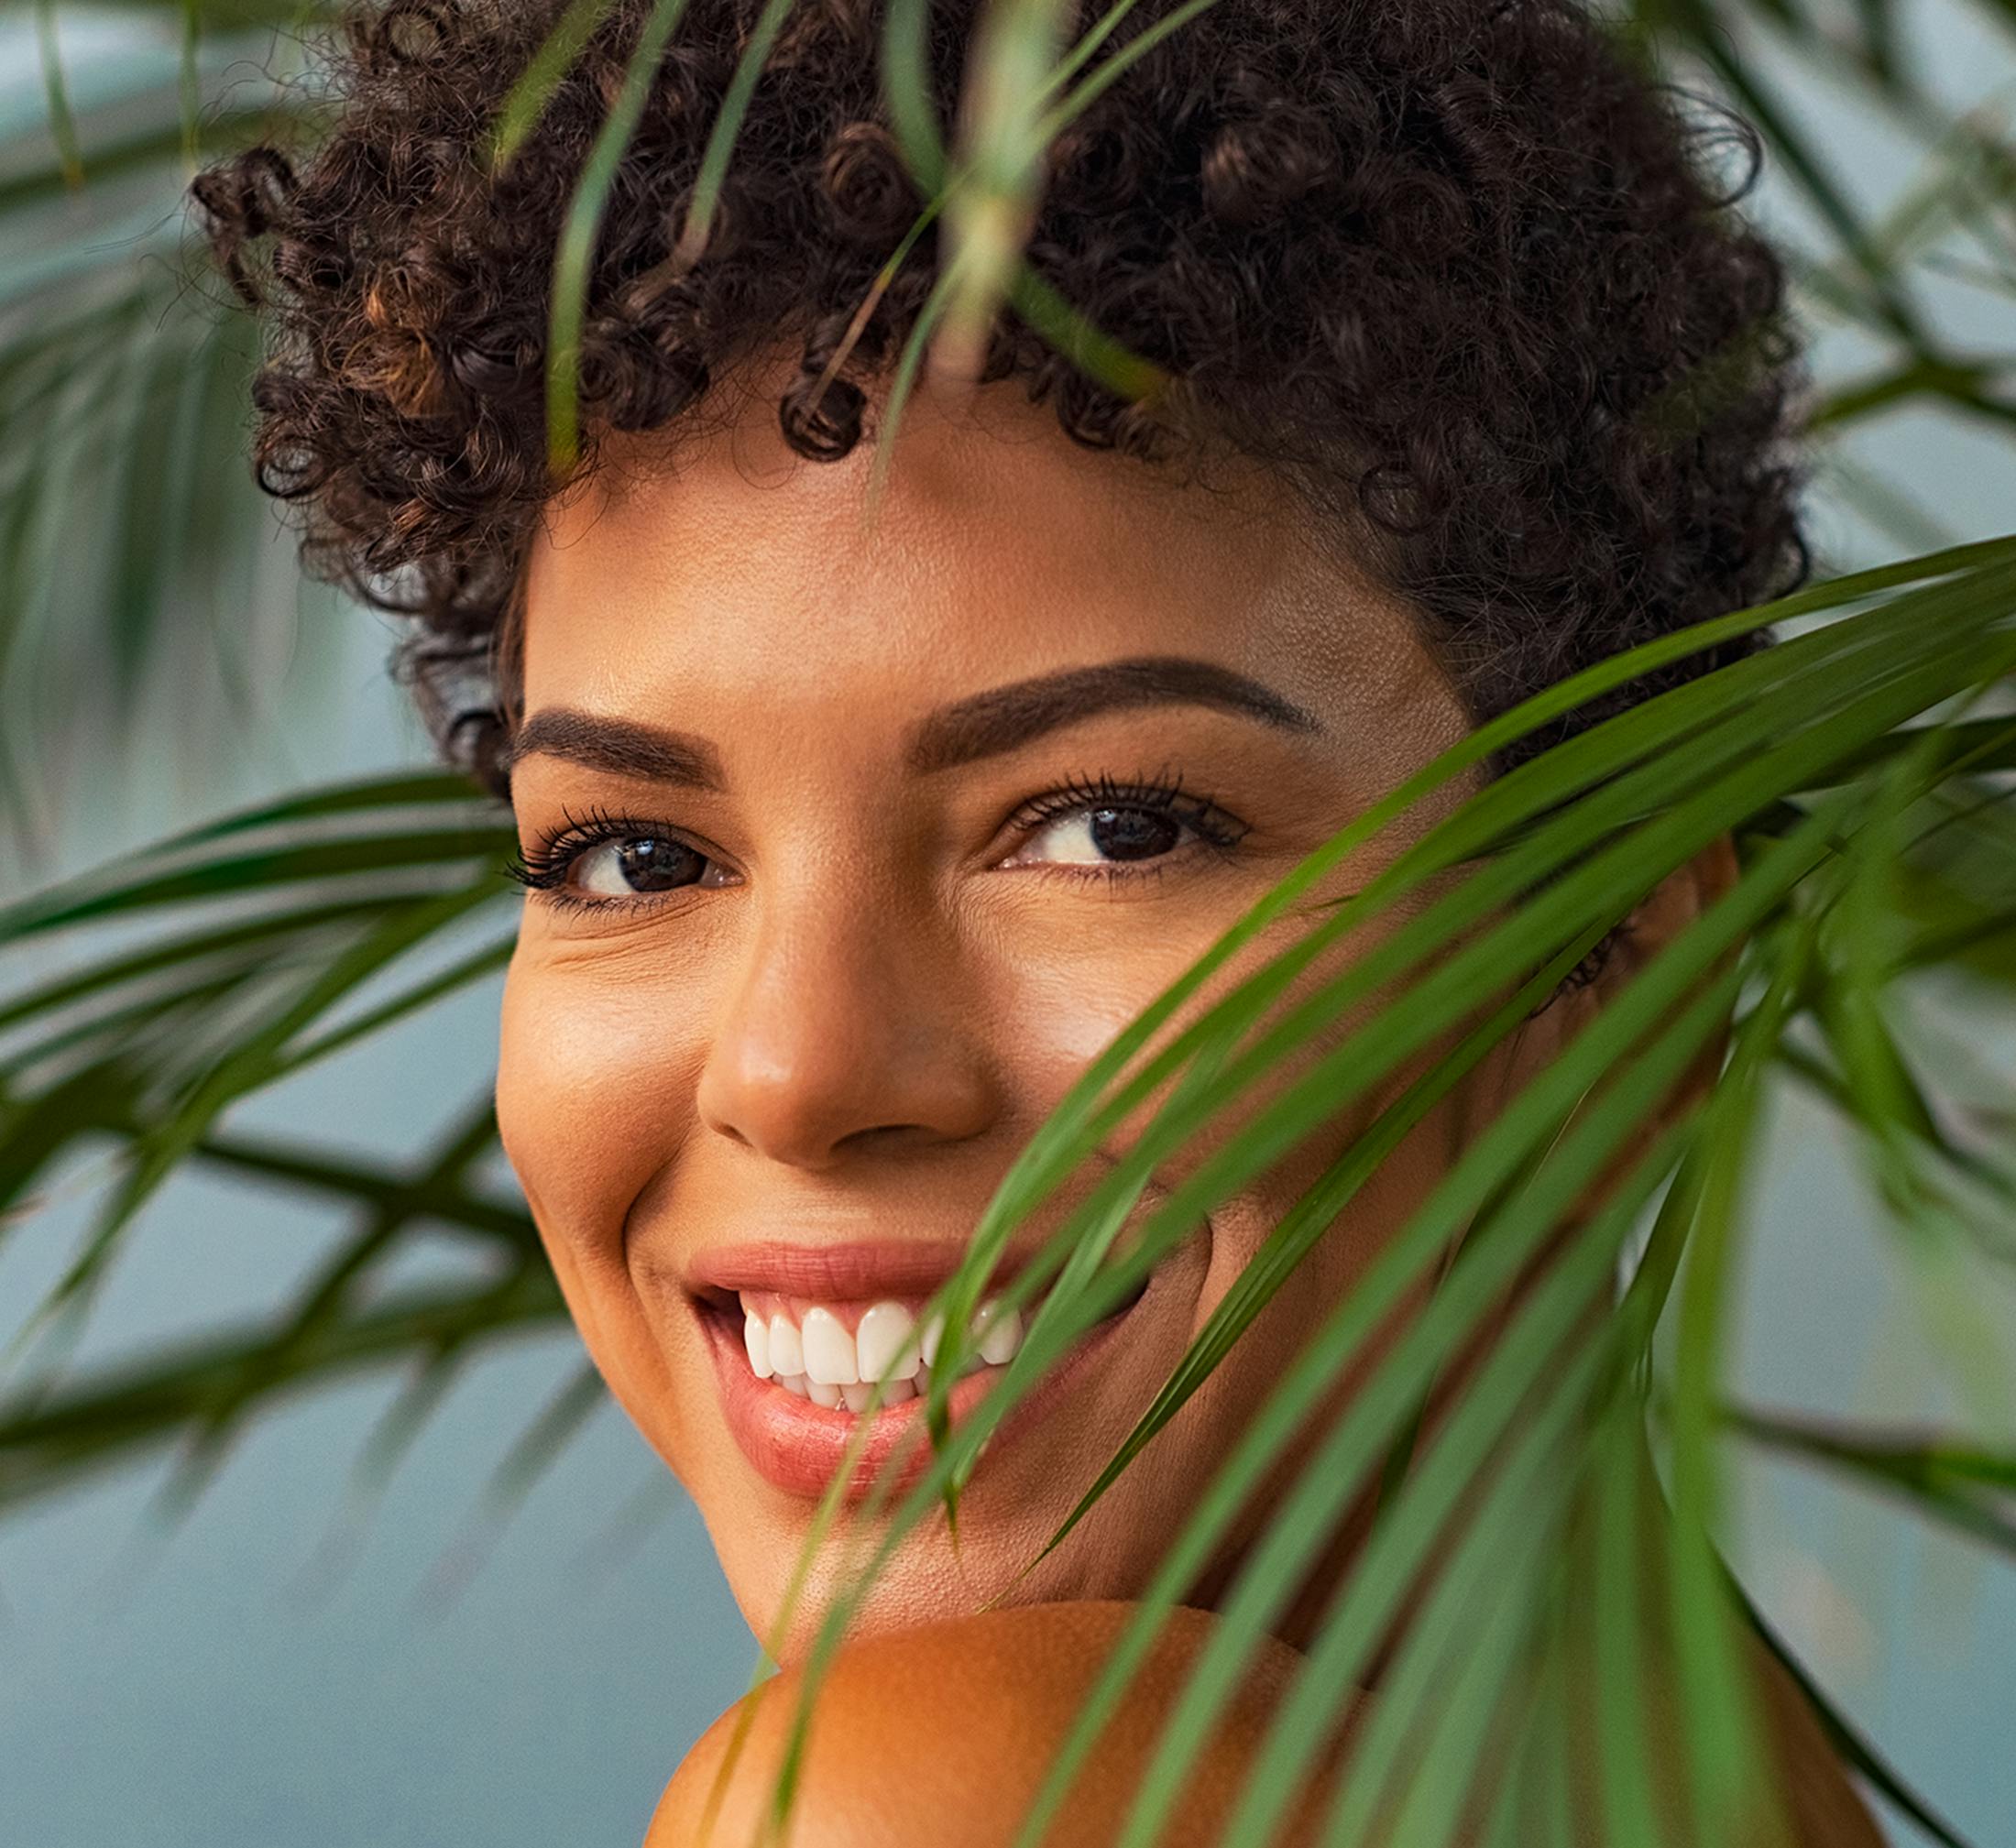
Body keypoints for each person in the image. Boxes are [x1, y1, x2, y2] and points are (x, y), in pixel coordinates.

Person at [192, 0, 1880, 1838]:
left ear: (1614, 984)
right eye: (635, 859)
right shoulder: (1715, 1775)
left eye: (1108, 827)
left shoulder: (932, 1801)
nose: (797, 1072)